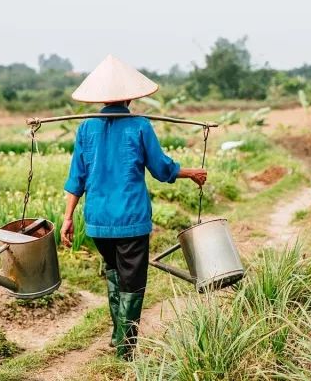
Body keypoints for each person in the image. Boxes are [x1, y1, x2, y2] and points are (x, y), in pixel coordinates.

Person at [59, 55, 206, 360]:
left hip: (98, 221)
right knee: (133, 282)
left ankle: (118, 336)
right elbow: (161, 168)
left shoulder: (86, 129)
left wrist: (67, 218)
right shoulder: (139, 125)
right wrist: (190, 172)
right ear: (129, 96)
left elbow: (76, 179)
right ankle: (126, 347)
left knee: (115, 273)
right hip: (130, 220)